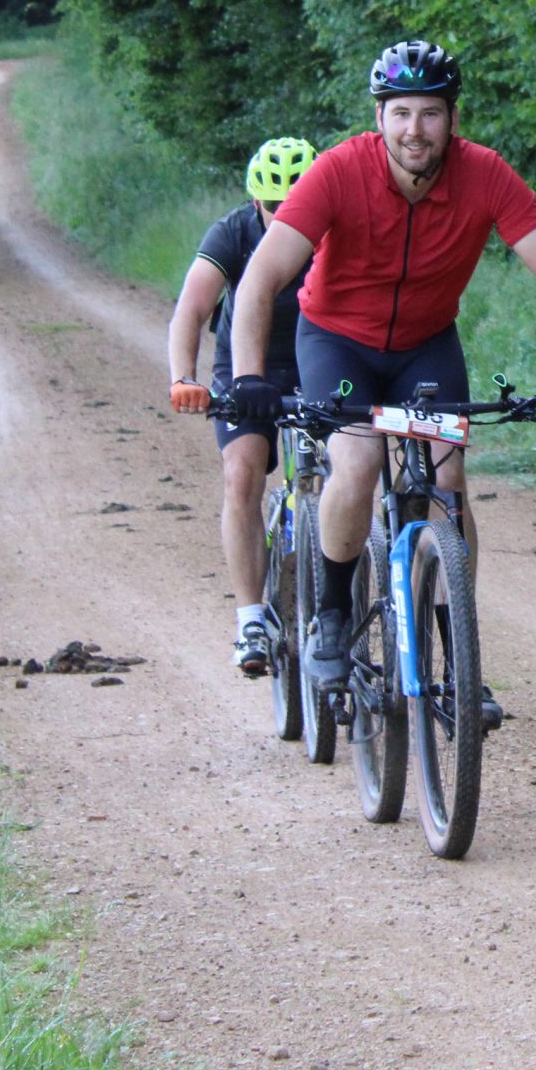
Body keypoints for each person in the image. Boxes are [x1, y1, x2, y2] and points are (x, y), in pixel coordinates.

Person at [225, 40, 536, 691]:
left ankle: (460, 665)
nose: (414, 129)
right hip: (337, 340)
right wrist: (250, 377)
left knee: (448, 478)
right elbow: (260, 278)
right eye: (400, 113)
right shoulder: (339, 171)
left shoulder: (485, 175)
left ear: (453, 118)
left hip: (426, 344)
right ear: (380, 118)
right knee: (358, 462)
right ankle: (333, 616)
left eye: (429, 113)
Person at [166, 136, 317, 674]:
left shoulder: (336, 229)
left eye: (298, 203)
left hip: (319, 359)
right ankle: (251, 620)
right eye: (275, 205)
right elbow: (192, 309)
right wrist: (183, 377)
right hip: (246, 366)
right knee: (242, 473)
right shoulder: (233, 233)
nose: (286, 215)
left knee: (344, 469)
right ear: (256, 202)